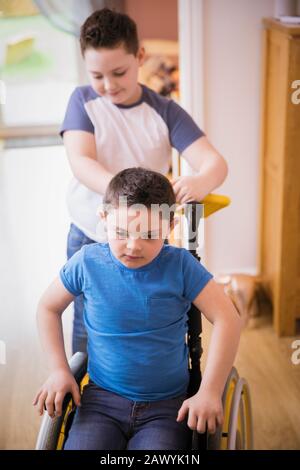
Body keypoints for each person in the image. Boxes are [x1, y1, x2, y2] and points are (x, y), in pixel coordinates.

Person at [33, 167, 241, 451]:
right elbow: (47, 307)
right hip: (101, 402)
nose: (133, 245)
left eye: (150, 235)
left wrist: (210, 391)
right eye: (121, 232)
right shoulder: (87, 263)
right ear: (104, 218)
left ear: (169, 227)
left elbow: (228, 318)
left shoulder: (180, 266)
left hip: (167, 408)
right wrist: (59, 369)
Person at [61, 7, 228, 354]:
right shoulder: (82, 102)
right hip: (91, 232)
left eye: (119, 72)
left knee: (146, 313)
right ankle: (79, 390)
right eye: (97, 76)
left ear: (140, 56)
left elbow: (214, 163)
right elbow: (81, 162)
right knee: (88, 318)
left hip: (147, 238)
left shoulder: (165, 111)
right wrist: (127, 196)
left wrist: (201, 180)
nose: (108, 86)